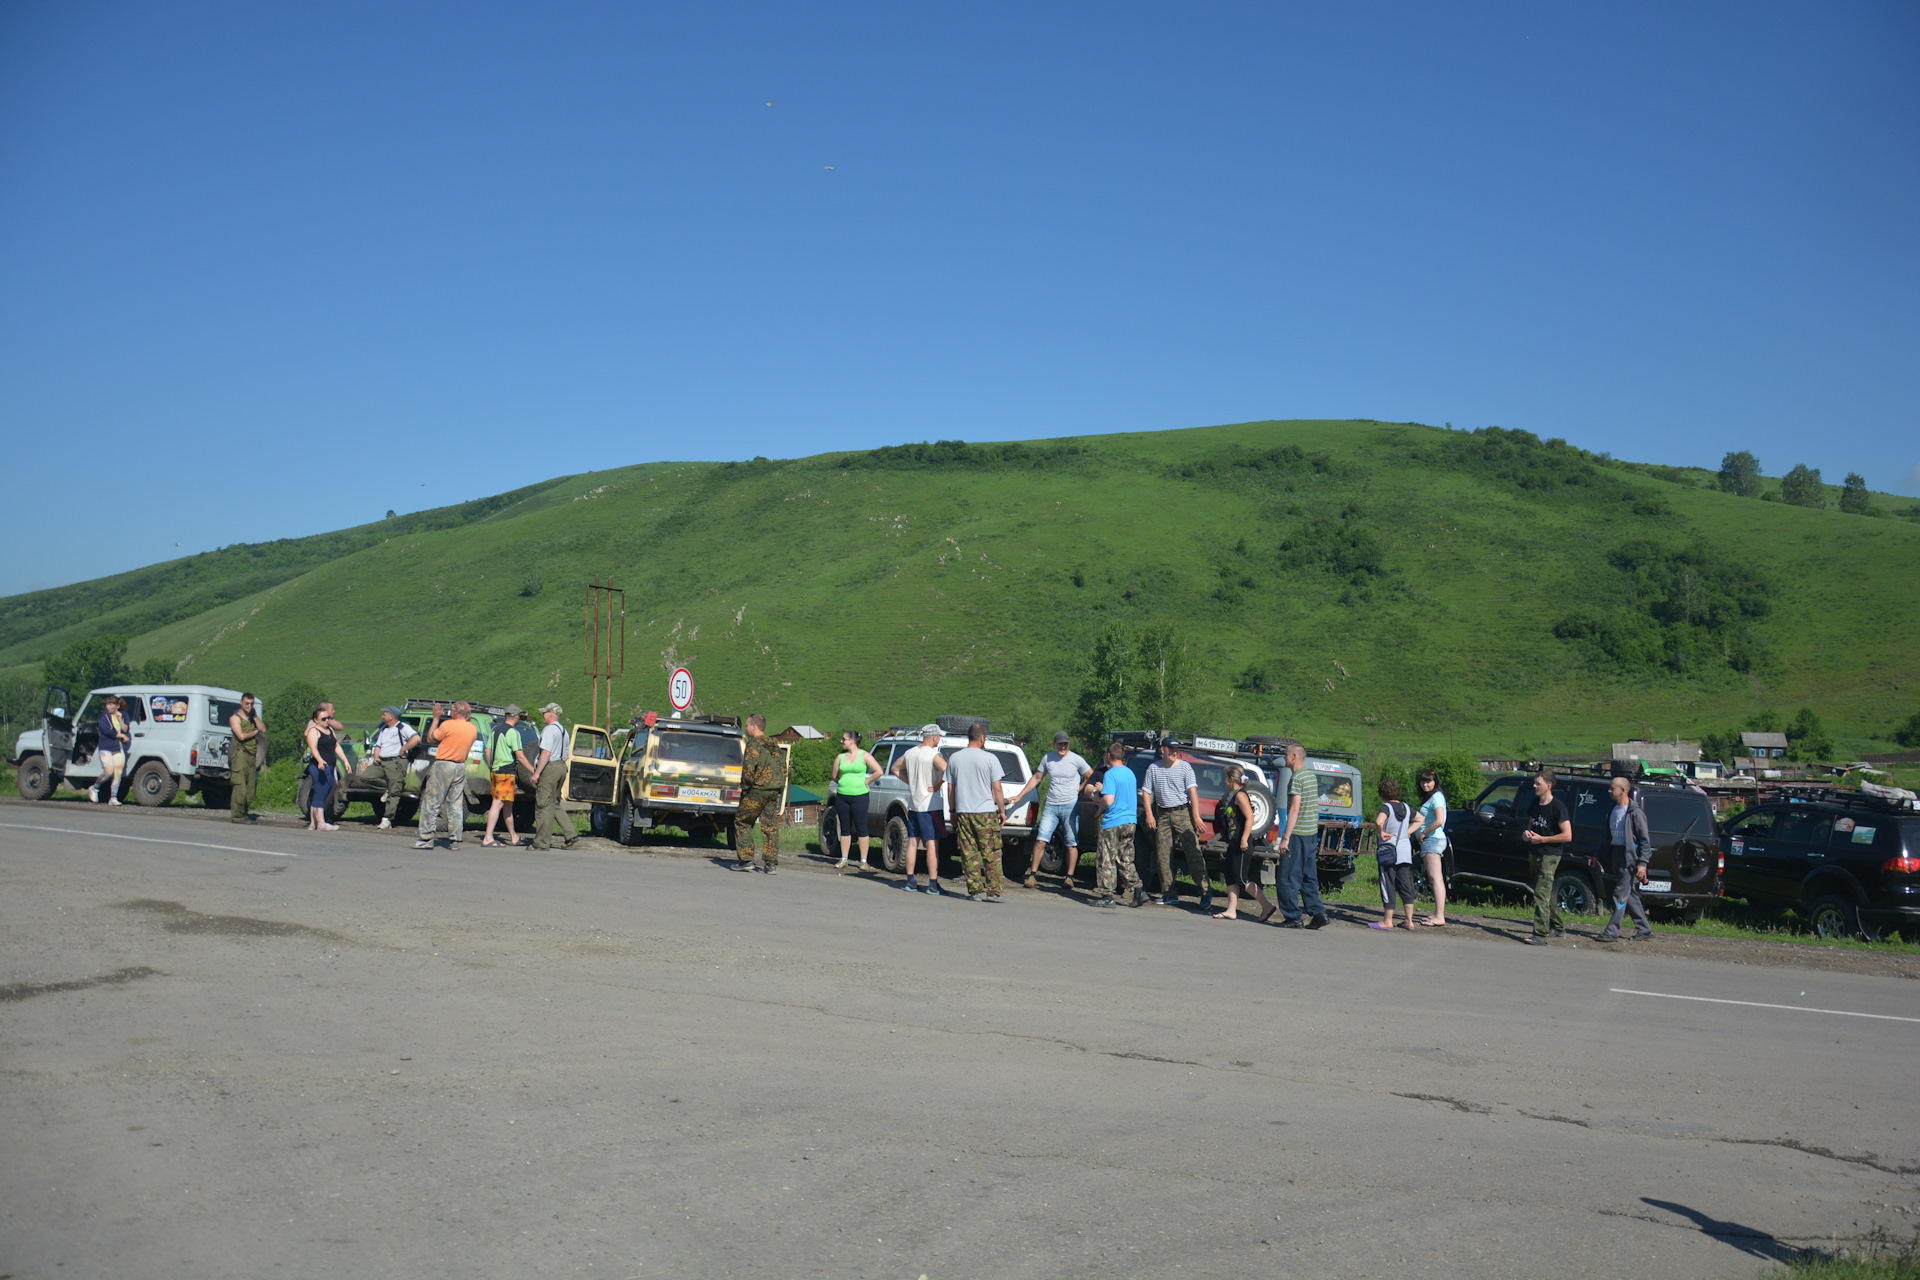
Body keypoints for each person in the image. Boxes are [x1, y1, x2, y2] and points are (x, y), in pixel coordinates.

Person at [1005, 731, 1093, 892]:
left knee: (1071, 842)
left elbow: (1091, 775)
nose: (1063, 746)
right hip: (1051, 806)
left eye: (1065, 744)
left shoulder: (1076, 760)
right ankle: (1032, 875)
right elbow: (1037, 778)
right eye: (1060, 744)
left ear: (1069, 744)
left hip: (1070, 806)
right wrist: (1020, 796)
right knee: (1041, 840)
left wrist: (1079, 790)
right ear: (1055, 744)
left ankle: (1069, 877)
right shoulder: (1048, 758)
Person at [1140, 740, 1212, 910]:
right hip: (1163, 814)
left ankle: (1205, 893)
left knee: (1193, 853)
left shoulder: (1185, 767)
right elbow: (1146, 791)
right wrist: (1150, 814)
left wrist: (1195, 816)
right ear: (1163, 750)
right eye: (1171, 749)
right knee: (1163, 855)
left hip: (1182, 813)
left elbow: (1193, 792)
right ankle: (1169, 894)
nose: (1174, 752)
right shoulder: (1153, 768)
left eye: (1176, 749)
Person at [946, 723, 1007, 901]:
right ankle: (994, 892)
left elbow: (951, 788)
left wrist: (952, 811)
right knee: (992, 853)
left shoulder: (955, 758)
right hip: (986, 812)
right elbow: (997, 789)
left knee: (969, 853)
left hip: (963, 811)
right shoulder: (990, 759)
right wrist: (1001, 811)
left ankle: (975, 891)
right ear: (982, 738)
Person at [1273, 742, 1329, 929]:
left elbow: (1295, 809)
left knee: (1287, 877)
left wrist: (1286, 837)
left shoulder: (1297, 778)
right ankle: (1318, 912)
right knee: (1308, 876)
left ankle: (1293, 916)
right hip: (1310, 834)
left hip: (1297, 834)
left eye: (1287, 754)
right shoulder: (1311, 776)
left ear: (1295, 757)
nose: (1284, 757)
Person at [1212, 764, 1275, 922]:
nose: (1224, 781)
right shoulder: (1235, 794)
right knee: (1229, 874)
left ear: (1231, 779)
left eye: (1226, 778)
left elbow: (1250, 818)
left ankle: (1267, 906)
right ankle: (1231, 910)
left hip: (1243, 841)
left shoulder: (1241, 795)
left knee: (1241, 878)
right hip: (1234, 840)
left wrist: (1244, 838)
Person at [891, 723, 948, 894]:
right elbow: (947, 768)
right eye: (939, 736)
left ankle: (911, 881)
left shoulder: (910, 753)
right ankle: (932, 883)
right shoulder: (932, 754)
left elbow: (895, 768)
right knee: (932, 844)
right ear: (934, 737)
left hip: (914, 804)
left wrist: (911, 782)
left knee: (913, 842)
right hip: (930, 804)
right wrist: (938, 784)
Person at [413, 701, 478, 849]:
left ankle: (426, 837)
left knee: (432, 801)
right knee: (455, 803)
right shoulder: (472, 729)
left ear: (457, 712)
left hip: (444, 763)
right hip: (460, 765)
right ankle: (455, 839)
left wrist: (436, 718)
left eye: (451, 710)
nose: (450, 712)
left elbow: (431, 738)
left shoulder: (448, 725)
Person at [1597, 776, 1654, 942]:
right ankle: (1644, 929)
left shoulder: (1635, 812)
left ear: (1623, 790)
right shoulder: (1612, 810)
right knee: (1629, 894)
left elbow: (1644, 840)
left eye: (1612, 788)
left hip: (1628, 858)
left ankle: (1611, 931)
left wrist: (1642, 864)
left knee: (1620, 894)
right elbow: (1605, 836)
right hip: (1615, 854)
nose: (1609, 791)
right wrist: (1597, 855)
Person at [1520, 771, 1573, 945]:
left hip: (1550, 854)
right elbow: (1530, 825)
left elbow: (1567, 836)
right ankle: (1558, 926)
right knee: (1542, 891)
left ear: (1548, 786)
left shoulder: (1558, 807)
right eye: (1534, 783)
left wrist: (1543, 839)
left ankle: (1540, 934)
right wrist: (1526, 835)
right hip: (1533, 852)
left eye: (1538, 784)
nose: (1534, 786)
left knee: (1541, 894)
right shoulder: (1535, 804)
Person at [1092, 742, 1145, 908]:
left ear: (1108, 755)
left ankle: (1107, 895)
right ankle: (1138, 890)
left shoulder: (1110, 774)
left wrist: (1097, 798)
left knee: (1106, 858)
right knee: (1126, 859)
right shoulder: (1130, 773)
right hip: (1130, 820)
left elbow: (1108, 800)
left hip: (1113, 821)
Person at [733, 713, 788, 873]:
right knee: (770, 826)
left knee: (742, 821)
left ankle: (746, 859)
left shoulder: (754, 744)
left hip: (757, 790)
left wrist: (745, 787)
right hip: (773, 790)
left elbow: (748, 770)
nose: (746, 728)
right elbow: (782, 768)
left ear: (754, 726)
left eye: (748, 725)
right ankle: (771, 864)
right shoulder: (774, 744)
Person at [828, 730, 886, 869]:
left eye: (844, 739)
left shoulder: (864, 755)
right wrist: (843, 783)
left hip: (860, 796)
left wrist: (867, 782)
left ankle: (864, 860)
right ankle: (844, 858)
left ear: (852, 741)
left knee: (861, 827)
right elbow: (834, 775)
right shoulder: (840, 757)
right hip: (842, 796)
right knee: (845, 827)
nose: (842, 741)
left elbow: (879, 771)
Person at [528, 703, 578, 852]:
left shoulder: (549, 730)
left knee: (543, 805)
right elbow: (567, 754)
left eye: (544, 712)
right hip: (562, 766)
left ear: (551, 714)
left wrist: (536, 773)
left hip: (550, 767)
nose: (543, 715)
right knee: (554, 803)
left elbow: (546, 753)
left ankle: (541, 843)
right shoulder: (564, 731)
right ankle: (571, 834)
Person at [360, 706, 420, 830]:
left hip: (396, 762)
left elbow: (416, 738)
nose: (383, 716)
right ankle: (386, 788)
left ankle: (387, 819)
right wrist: (376, 756)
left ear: (392, 716)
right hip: (382, 761)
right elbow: (378, 745)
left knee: (394, 793)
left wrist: (404, 749)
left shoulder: (402, 727)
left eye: (385, 714)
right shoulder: (384, 729)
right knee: (366, 777)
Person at [1370, 777, 1418, 931]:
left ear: (1382, 794)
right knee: (1405, 885)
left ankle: (1387, 921)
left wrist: (1382, 832)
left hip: (1389, 851)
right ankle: (1409, 921)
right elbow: (1420, 819)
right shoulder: (1406, 807)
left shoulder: (1386, 807)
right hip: (1405, 851)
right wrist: (1407, 832)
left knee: (1388, 883)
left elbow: (1378, 822)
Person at [481, 705, 530, 847]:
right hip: (506, 772)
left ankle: (513, 836)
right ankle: (488, 837)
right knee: (497, 804)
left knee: (508, 805)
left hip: (495, 771)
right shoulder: (513, 733)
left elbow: (487, 751)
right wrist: (534, 770)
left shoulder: (495, 730)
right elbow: (520, 756)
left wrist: (491, 766)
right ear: (516, 717)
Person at [1411, 769, 1449, 926]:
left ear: (1435, 782)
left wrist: (1424, 832)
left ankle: (1440, 916)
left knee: (1436, 878)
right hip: (1430, 840)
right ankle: (1437, 914)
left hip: (1432, 839)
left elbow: (1440, 820)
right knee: (1434, 878)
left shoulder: (1437, 797)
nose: (1425, 784)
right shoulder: (1431, 798)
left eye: (1428, 781)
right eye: (1423, 781)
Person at [304, 702, 346, 832]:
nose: (330, 717)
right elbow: (313, 746)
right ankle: (317, 822)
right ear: (316, 719)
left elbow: (339, 732)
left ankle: (317, 821)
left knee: (325, 790)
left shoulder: (329, 728)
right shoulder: (313, 729)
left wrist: (345, 761)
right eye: (329, 712)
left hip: (330, 764)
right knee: (320, 792)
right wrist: (320, 761)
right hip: (319, 765)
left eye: (328, 717)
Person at [226, 692, 262, 823]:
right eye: (247, 703)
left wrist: (256, 717)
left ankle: (244, 814)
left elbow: (263, 729)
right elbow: (241, 736)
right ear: (241, 703)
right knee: (240, 787)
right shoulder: (235, 718)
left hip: (252, 756)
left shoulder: (252, 718)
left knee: (250, 789)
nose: (249, 706)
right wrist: (255, 731)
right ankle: (237, 816)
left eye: (251, 704)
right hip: (240, 754)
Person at [91, 695, 130, 805]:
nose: (109, 706)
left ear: (117, 706)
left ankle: (113, 797)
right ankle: (95, 788)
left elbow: (126, 729)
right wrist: (121, 736)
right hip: (106, 747)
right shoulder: (105, 716)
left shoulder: (124, 715)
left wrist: (120, 719)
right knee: (108, 772)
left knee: (118, 772)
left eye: (111, 704)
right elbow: (107, 731)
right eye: (107, 704)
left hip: (118, 747)